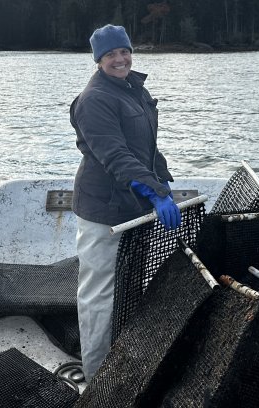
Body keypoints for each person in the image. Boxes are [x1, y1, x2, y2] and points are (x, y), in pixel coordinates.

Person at [69, 24, 180, 379]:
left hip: (134, 207)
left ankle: (122, 361)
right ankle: (98, 379)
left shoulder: (133, 90)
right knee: (99, 295)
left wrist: (161, 180)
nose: (119, 59)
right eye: (110, 54)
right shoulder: (94, 100)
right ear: (98, 60)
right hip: (102, 211)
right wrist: (155, 193)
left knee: (130, 285)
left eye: (124, 51)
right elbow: (115, 155)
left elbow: (146, 149)